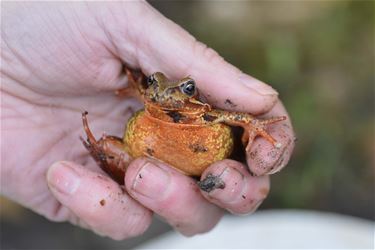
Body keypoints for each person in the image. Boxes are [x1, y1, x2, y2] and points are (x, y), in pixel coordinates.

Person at [1, 2, 295, 240]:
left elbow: (236, 115)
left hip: (199, 151)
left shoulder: (204, 112)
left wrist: (255, 126)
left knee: (213, 185)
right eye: (155, 84)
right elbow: (147, 92)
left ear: (194, 93)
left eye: (186, 89)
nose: (165, 94)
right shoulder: (151, 98)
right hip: (151, 146)